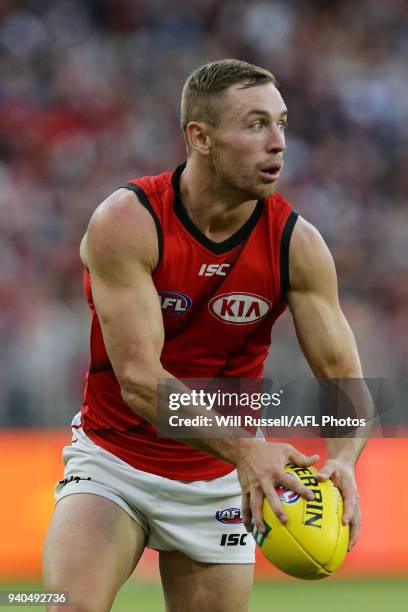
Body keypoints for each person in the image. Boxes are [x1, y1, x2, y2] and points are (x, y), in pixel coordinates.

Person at [43, 59, 368, 612]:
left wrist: (344, 457)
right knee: (59, 606)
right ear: (201, 137)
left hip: (223, 483)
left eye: (282, 123)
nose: (278, 143)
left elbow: (343, 376)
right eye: (256, 124)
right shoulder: (128, 222)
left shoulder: (297, 245)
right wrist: (248, 449)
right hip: (116, 461)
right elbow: (141, 382)